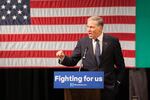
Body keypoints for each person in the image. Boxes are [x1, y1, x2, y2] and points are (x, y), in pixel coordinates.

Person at [56, 16, 125, 100]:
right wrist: (63, 57)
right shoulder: (83, 42)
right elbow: (72, 61)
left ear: (100, 27)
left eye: (91, 27)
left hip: (108, 87)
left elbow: (120, 65)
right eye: (87, 26)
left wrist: (117, 82)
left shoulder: (112, 41)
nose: (88, 29)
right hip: (89, 87)